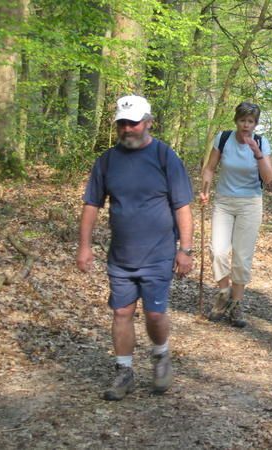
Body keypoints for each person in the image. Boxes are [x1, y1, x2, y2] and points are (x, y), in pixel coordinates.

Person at [76, 95, 194, 401]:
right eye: (122, 124)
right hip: (121, 256)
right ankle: (124, 372)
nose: (127, 129)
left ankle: (160, 355)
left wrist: (186, 249)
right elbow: (91, 205)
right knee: (121, 312)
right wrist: (84, 246)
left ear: (149, 122)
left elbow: (182, 206)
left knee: (154, 315)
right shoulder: (106, 161)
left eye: (134, 122)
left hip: (158, 254)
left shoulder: (165, 156)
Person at [200, 102, 272, 327]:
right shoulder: (223, 138)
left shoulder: (261, 143)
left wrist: (258, 154)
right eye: (242, 120)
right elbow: (210, 167)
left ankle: (236, 303)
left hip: (250, 203)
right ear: (236, 121)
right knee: (218, 251)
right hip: (224, 201)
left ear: (255, 124)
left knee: (242, 256)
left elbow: (269, 178)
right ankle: (224, 293)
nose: (246, 125)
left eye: (250, 121)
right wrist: (204, 189)